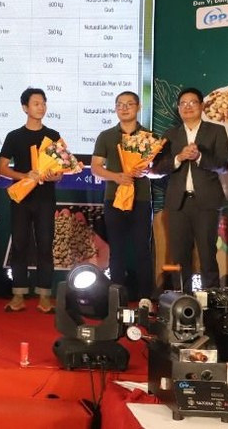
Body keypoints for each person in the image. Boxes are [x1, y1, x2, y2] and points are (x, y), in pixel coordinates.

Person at [154, 88, 228, 292]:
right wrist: (179, 158)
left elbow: (223, 165)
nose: (187, 107)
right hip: (178, 203)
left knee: (207, 254)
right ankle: (182, 302)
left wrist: (198, 157)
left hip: (206, 202)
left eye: (192, 102)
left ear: (201, 106)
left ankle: (213, 303)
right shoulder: (170, 135)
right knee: (179, 256)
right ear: (178, 109)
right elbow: (158, 168)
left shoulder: (216, 131)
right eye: (183, 103)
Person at [0, 88, 63, 312]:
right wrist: (24, 176)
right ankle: (18, 295)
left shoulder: (53, 135)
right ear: (25, 107)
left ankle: (45, 296)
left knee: (45, 244)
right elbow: (2, 168)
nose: (41, 107)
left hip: (45, 198)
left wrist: (54, 175)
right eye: (36, 103)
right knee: (19, 244)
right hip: (21, 198)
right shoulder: (14, 136)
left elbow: (61, 170)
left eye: (43, 103)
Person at [91, 91, 158, 300]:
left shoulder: (149, 137)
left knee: (142, 249)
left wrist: (147, 171)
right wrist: (116, 177)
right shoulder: (106, 136)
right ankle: (116, 298)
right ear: (115, 108)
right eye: (120, 104)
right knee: (116, 250)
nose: (124, 108)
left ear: (138, 107)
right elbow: (95, 168)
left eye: (129, 104)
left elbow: (157, 170)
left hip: (141, 199)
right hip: (114, 199)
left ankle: (146, 297)